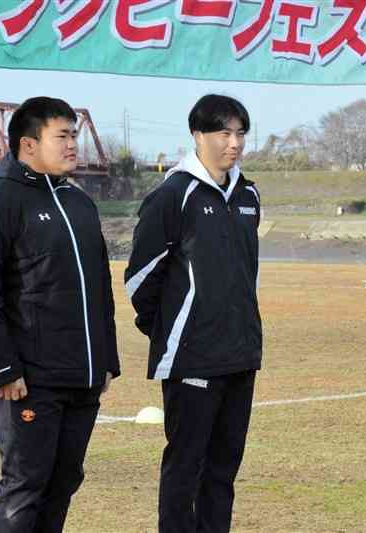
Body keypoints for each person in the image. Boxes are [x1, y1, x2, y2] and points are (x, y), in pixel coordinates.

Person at [0, 97, 120, 533]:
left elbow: (99, 290)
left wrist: (106, 360)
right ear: (28, 144)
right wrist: (3, 368)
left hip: (82, 377)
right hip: (30, 379)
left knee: (64, 480)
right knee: (25, 485)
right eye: (62, 136)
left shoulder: (80, 205)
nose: (72, 145)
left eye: (74, 135)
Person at [125, 94, 262, 533]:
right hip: (192, 358)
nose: (234, 143)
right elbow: (141, 279)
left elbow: (245, 272)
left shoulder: (248, 194)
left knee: (223, 471)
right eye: (223, 132)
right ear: (197, 134)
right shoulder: (173, 195)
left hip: (240, 355)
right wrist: (172, 331)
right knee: (186, 466)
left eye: (240, 133)